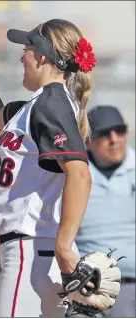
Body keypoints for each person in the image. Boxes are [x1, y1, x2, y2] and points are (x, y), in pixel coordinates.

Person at [0, 10, 95, 317]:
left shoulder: (51, 103)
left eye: (25, 51)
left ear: (41, 58)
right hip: (34, 248)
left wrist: (65, 246)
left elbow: (79, 174)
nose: (21, 59)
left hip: (34, 247)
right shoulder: (38, 106)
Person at [75, 105, 135, 318]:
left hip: (130, 282)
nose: (114, 139)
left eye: (120, 131)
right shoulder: (75, 174)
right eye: (104, 134)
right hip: (84, 282)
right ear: (88, 140)